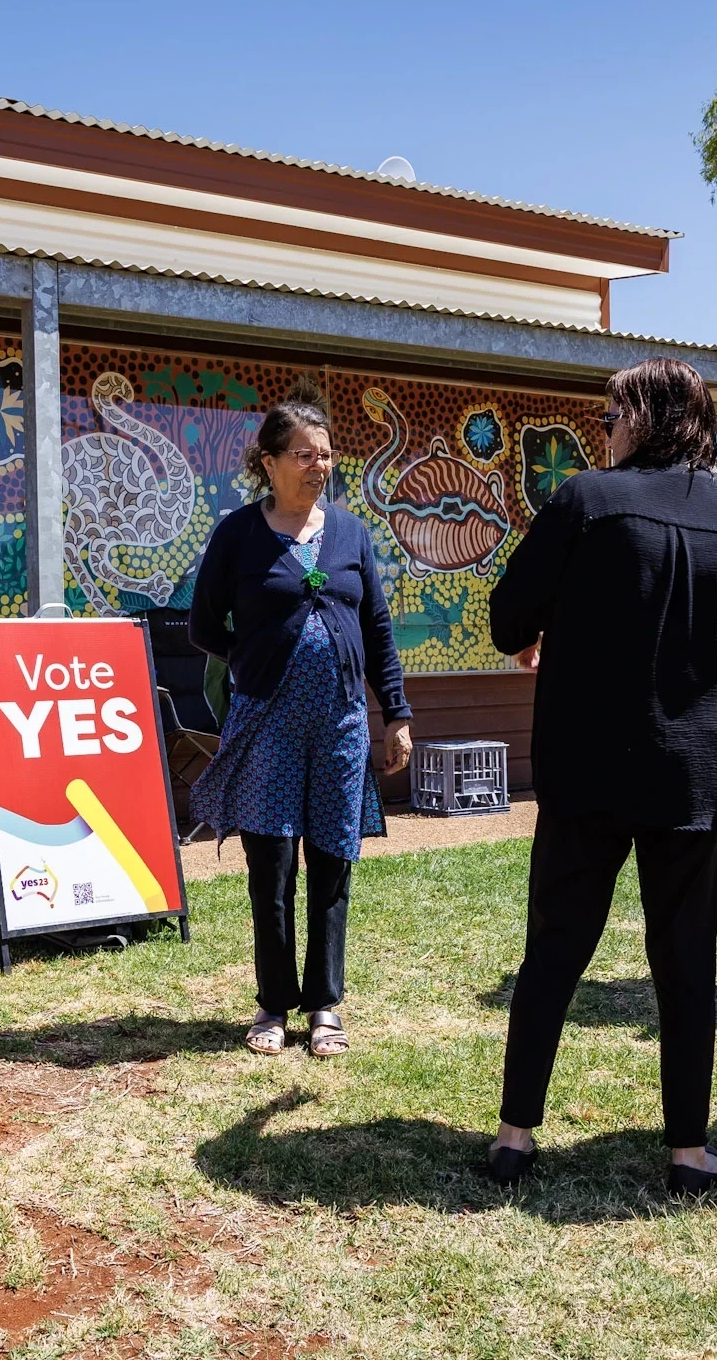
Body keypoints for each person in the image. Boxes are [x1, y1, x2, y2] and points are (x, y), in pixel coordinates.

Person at [482, 357, 717, 1194]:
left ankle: (516, 1134)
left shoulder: (586, 501)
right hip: (698, 777)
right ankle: (688, 1150)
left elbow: (507, 618)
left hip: (589, 770)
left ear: (641, 418)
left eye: (608, 417)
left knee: (555, 949)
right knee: (686, 961)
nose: (604, 433)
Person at [189, 394, 413, 1060]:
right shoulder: (237, 534)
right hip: (266, 723)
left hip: (341, 722)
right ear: (271, 462)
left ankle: (324, 1005)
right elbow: (203, 624)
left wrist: (395, 712)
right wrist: (254, 658)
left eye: (326, 453)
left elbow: (377, 630)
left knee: (334, 861)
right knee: (273, 866)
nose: (320, 464)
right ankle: (271, 1003)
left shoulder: (350, 534)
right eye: (305, 453)